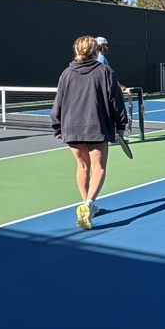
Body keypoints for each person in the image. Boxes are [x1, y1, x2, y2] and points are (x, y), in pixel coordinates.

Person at [51, 36, 129, 230]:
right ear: (96, 51)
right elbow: (116, 102)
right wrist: (121, 125)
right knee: (99, 168)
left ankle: (87, 205)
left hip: (71, 128)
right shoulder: (105, 72)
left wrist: (57, 126)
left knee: (82, 167)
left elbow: (58, 102)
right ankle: (89, 204)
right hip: (97, 127)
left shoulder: (66, 73)